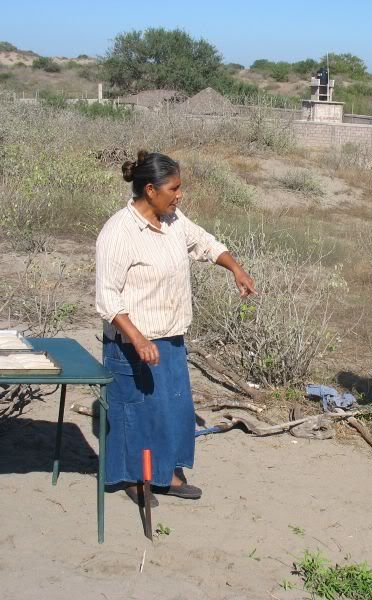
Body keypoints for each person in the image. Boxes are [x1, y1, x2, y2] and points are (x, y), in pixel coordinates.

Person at [95, 150, 256, 507]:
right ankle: (134, 479)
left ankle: (166, 472)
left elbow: (206, 243)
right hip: (130, 342)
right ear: (150, 190)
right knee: (134, 410)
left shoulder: (174, 221)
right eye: (174, 188)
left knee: (172, 408)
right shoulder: (119, 232)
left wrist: (236, 269)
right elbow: (107, 298)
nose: (180, 194)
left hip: (170, 337)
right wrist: (137, 337)